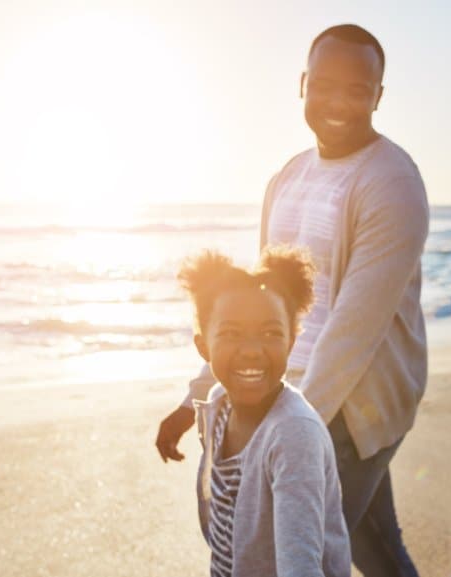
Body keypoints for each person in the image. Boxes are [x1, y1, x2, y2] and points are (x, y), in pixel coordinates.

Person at [157, 24, 428, 577]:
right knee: (373, 547)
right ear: (303, 84)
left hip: (350, 408)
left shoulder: (391, 181)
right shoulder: (288, 177)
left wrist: (281, 426)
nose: (339, 103)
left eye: (359, 91)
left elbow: (355, 331)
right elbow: (250, 308)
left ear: (379, 96)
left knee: (286, 557)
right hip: (278, 388)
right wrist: (197, 396)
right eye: (326, 85)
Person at [179, 246, 350, 577]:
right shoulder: (218, 406)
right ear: (203, 346)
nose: (252, 351)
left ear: (291, 342)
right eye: (231, 334)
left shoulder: (293, 435)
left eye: (271, 333)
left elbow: (299, 565)